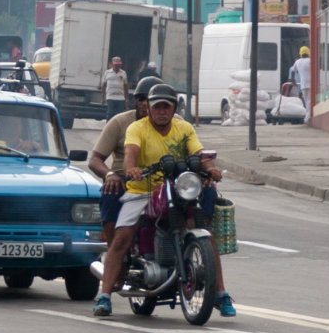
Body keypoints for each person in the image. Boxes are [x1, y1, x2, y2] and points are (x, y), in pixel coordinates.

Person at [93, 83, 228, 318]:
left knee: (205, 232)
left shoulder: (184, 128)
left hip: (176, 187)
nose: (162, 111)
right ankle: (104, 296)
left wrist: (210, 168)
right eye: (157, 107)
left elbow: (198, 153)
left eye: (167, 107)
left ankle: (221, 293)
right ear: (150, 108)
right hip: (142, 189)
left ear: (174, 108)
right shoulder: (136, 128)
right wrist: (132, 169)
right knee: (122, 236)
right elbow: (131, 154)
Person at [89, 76, 164, 246]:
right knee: (110, 192)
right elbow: (95, 159)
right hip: (127, 180)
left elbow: (195, 153)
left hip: (163, 181)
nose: (145, 104)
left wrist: (205, 174)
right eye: (141, 99)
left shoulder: (178, 124)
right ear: (134, 101)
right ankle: (115, 249)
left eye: (151, 99)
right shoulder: (120, 122)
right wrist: (110, 175)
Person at [100, 56, 129, 121]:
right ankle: (109, 128)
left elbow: (125, 86)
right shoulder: (107, 72)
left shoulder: (123, 73)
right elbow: (104, 85)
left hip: (120, 97)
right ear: (112, 64)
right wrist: (102, 97)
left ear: (120, 65)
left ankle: (118, 129)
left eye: (118, 65)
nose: (117, 66)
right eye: (115, 65)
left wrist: (127, 98)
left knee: (119, 115)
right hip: (110, 96)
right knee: (110, 113)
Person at [289, 45, 311, 121]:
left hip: (303, 84)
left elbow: (292, 71)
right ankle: (308, 116)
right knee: (310, 100)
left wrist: (292, 80)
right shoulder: (310, 60)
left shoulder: (297, 62)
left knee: (306, 100)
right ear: (308, 52)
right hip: (311, 83)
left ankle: (307, 116)